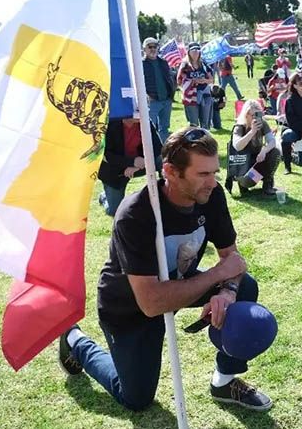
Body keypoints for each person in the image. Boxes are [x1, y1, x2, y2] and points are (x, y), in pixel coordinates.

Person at [57, 128, 275, 412]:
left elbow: (231, 261)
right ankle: (75, 341)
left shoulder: (212, 195)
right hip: (129, 307)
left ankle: (224, 381)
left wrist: (228, 291)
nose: (212, 182)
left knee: (245, 285)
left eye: (214, 172)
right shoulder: (136, 214)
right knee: (136, 398)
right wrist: (216, 276)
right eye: (202, 174)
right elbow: (151, 303)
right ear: (170, 171)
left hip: (176, 283)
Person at [97, 118, 163, 216]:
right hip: (114, 171)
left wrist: (139, 164)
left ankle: (166, 192)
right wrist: (132, 162)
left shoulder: (145, 121)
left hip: (139, 165)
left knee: (161, 160)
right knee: (115, 211)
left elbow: (158, 148)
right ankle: (104, 197)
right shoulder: (109, 124)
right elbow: (106, 155)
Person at [227, 100, 279, 195]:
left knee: (275, 152)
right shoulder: (239, 127)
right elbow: (237, 146)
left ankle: (267, 184)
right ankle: (243, 184)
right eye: (253, 115)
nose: (256, 118)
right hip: (243, 163)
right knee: (248, 181)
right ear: (246, 115)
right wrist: (252, 132)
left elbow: (272, 141)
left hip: (257, 161)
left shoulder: (262, 124)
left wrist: (264, 150)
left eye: (258, 114)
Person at [141, 38, 176, 143]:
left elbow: (169, 78)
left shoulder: (163, 62)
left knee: (164, 128)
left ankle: (163, 151)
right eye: (149, 47)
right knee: (150, 128)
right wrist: (146, 95)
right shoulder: (141, 64)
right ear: (144, 49)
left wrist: (171, 95)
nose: (152, 49)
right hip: (151, 101)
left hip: (166, 100)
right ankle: (152, 152)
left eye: (155, 47)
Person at [177, 43, 214, 130]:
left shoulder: (204, 64)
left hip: (205, 94)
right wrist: (192, 81)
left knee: (205, 123)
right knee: (194, 123)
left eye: (197, 50)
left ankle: (205, 141)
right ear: (189, 52)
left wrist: (204, 80)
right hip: (191, 96)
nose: (195, 53)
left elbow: (211, 79)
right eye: (193, 51)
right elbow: (179, 80)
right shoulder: (185, 65)